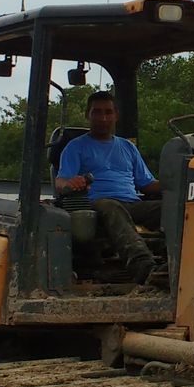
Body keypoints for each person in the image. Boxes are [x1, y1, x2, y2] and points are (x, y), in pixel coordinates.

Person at [54, 91, 165, 285]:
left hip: (131, 203)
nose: (103, 118)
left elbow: (146, 183)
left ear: (116, 115)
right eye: (97, 112)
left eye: (108, 112)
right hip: (97, 205)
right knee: (111, 206)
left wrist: (177, 182)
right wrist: (70, 183)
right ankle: (144, 268)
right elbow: (60, 181)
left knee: (173, 208)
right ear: (87, 115)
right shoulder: (76, 147)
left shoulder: (128, 147)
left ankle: (177, 262)